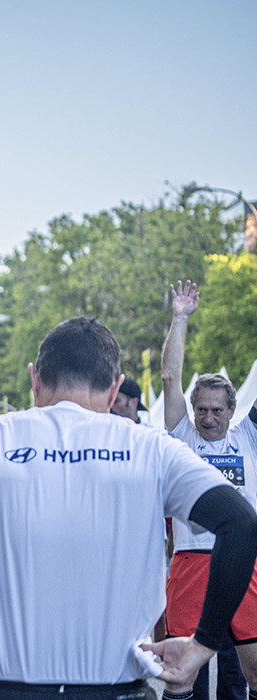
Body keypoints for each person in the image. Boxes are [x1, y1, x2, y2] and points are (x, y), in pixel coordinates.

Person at [0, 315, 257, 700]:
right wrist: (203, 643)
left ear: (34, 379)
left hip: (11, 686)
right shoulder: (152, 448)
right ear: (115, 389)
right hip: (117, 687)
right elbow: (239, 523)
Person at [160, 280, 257, 700]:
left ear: (232, 411)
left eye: (217, 410)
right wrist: (180, 317)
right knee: (183, 672)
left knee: (253, 667)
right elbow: (169, 376)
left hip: (244, 560)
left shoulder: (247, 437)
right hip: (192, 560)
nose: (208, 418)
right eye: (201, 409)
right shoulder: (183, 435)